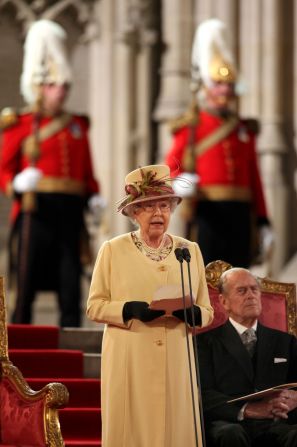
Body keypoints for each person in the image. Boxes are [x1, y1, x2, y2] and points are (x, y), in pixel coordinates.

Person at [86, 164, 214, 447]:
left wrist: (192, 314)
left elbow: (207, 310)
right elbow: (94, 306)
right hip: (129, 357)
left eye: (165, 206)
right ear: (134, 213)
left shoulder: (188, 250)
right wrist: (129, 310)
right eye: (149, 206)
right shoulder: (112, 249)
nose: (159, 213)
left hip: (176, 358)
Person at [0, 20, 103, 327]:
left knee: (70, 282)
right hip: (36, 210)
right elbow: (3, 168)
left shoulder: (77, 126)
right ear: (40, 86)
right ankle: (20, 341)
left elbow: (87, 170)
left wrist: (94, 194)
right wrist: (15, 183)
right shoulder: (20, 124)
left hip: (70, 212)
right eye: (55, 85)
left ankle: (70, 338)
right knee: (26, 280)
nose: (61, 92)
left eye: (65, 86)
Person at [165, 18, 273, 268]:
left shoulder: (243, 129)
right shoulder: (192, 125)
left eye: (228, 84)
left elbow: (254, 178)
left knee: (238, 281)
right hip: (207, 212)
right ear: (205, 85)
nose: (224, 90)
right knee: (207, 282)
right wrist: (180, 184)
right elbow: (172, 165)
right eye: (218, 83)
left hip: (241, 216)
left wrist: (263, 220)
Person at [197, 267, 297, 446]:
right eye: (242, 290)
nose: (250, 295)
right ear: (223, 301)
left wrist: (294, 399)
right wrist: (248, 410)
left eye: (254, 289)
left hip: (277, 422)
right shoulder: (203, 343)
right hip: (230, 422)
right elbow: (202, 394)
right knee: (229, 434)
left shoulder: (286, 341)